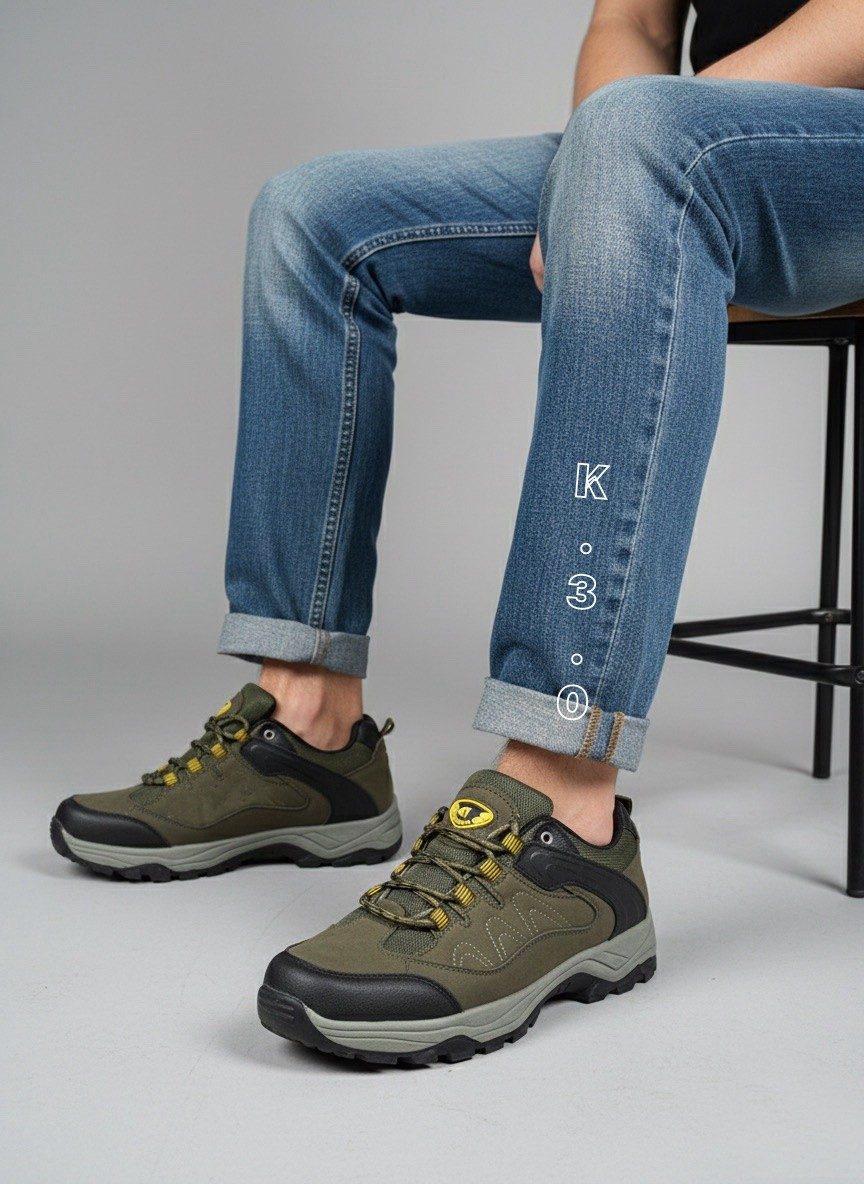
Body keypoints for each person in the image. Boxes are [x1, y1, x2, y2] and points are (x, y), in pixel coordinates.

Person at [50, 0, 864, 1064]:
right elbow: (633, 21)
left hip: (811, 152)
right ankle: (308, 730)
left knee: (639, 141)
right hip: (682, 141)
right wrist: (597, 165)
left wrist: (624, 149)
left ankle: (566, 818)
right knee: (314, 215)